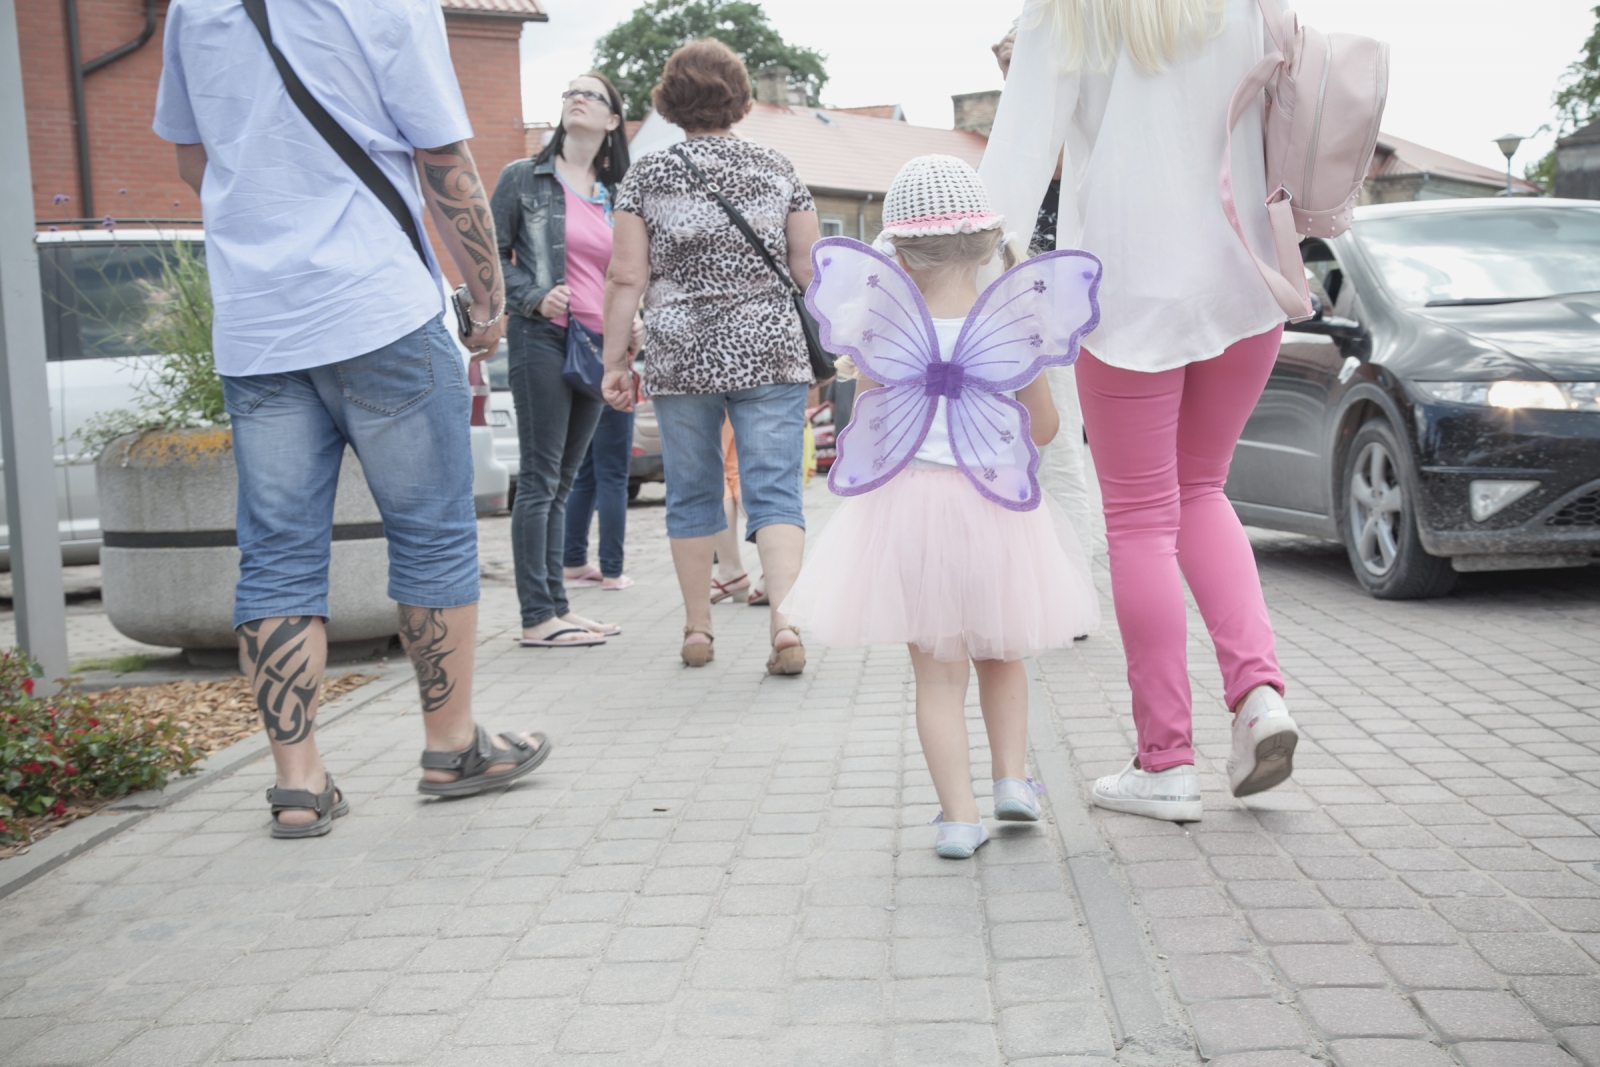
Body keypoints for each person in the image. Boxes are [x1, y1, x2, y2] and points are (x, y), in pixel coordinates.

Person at [154, 0, 547, 837]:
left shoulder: (194, 7)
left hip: (258, 325)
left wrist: (273, 220)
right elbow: (441, 159)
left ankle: (299, 784)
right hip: (379, 310)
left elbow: (196, 160)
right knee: (432, 530)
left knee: (277, 552)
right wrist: (487, 294)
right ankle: (450, 745)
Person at [982, 0, 1301, 823]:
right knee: (1202, 491)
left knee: (1139, 521)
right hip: (1248, 273)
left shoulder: (1067, 7)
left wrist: (970, 293)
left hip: (1129, 286)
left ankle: (1167, 762)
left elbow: (1015, 163)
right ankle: (1260, 695)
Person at [781, 156, 1101, 858]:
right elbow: (1042, 427)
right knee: (1004, 653)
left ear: (894, 250)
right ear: (991, 242)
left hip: (909, 518)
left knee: (937, 673)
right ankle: (1013, 780)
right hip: (995, 508)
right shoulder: (1014, 325)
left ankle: (959, 818)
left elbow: (870, 425)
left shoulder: (881, 330)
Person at [600, 39, 818, 674]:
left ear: (669, 102)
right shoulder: (778, 167)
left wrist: (616, 361)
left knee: (691, 489)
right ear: (740, 98)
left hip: (681, 349)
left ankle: (698, 629)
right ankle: (784, 622)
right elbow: (809, 270)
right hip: (769, 345)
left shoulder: (647, 175)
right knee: (774, 488)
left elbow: (624, 278)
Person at [494, 73, 638, 645]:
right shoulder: (522, 179)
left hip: (599, 351)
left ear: (610, 122)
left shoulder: (617, 193)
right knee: (539, 480)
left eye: (593, 95)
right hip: (544, 340)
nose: (577, 97)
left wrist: (633, 327)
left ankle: (558, 606)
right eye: (570, 92)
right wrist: (532, 295)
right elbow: (486, 259)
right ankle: (536, 618)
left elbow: (625, 273)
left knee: (563, 481)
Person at [989, 24, 1098, 568]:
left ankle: (1071, 577)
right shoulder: (1029, 137)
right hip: (1017, 310)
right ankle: (1036, 571)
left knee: (1057, 454)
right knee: (1033, 448)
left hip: (1054, 312)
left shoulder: (1070, 134)